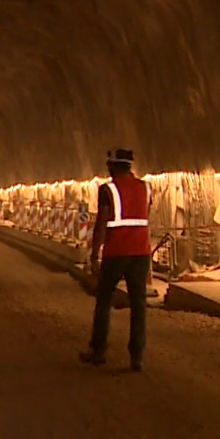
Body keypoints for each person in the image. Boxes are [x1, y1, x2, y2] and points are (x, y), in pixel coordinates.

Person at [79, 148, 152, 372]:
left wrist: (94, 255)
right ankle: (137, 356)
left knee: (104, 300)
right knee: (138, 304)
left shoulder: (107, 189)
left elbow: (102, 222)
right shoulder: (146, 187)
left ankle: (98, 350)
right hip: (141, 253)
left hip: (116, 252)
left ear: (113, 166)